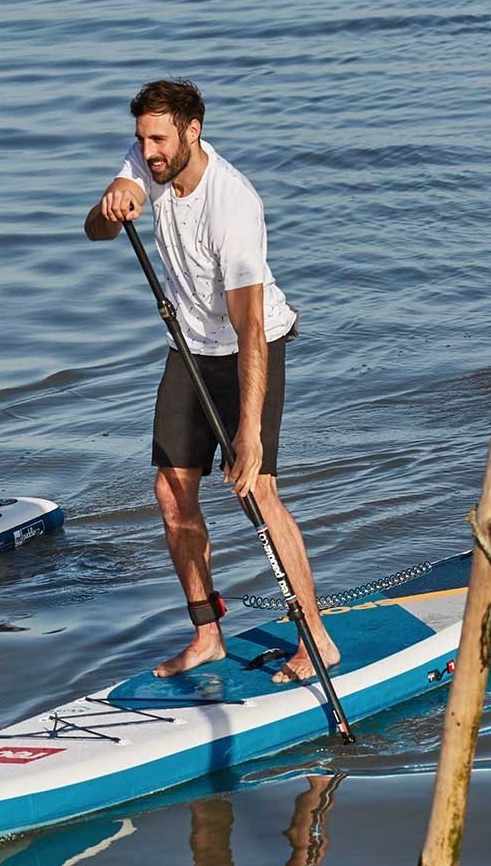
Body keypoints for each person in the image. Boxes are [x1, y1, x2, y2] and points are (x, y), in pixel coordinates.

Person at [83, 79, 339, 683]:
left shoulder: (233, 205)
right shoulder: (146, 161)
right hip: (189, 348)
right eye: (142, 139)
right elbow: (95, 231)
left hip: (251, 348)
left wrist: (247, 434)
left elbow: (251, 329)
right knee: (171, 494)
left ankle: (317, 638)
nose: (148, 153)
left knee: (257, 491)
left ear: (193, 131)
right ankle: (207, 635)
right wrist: (111, 201)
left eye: (159, 139)